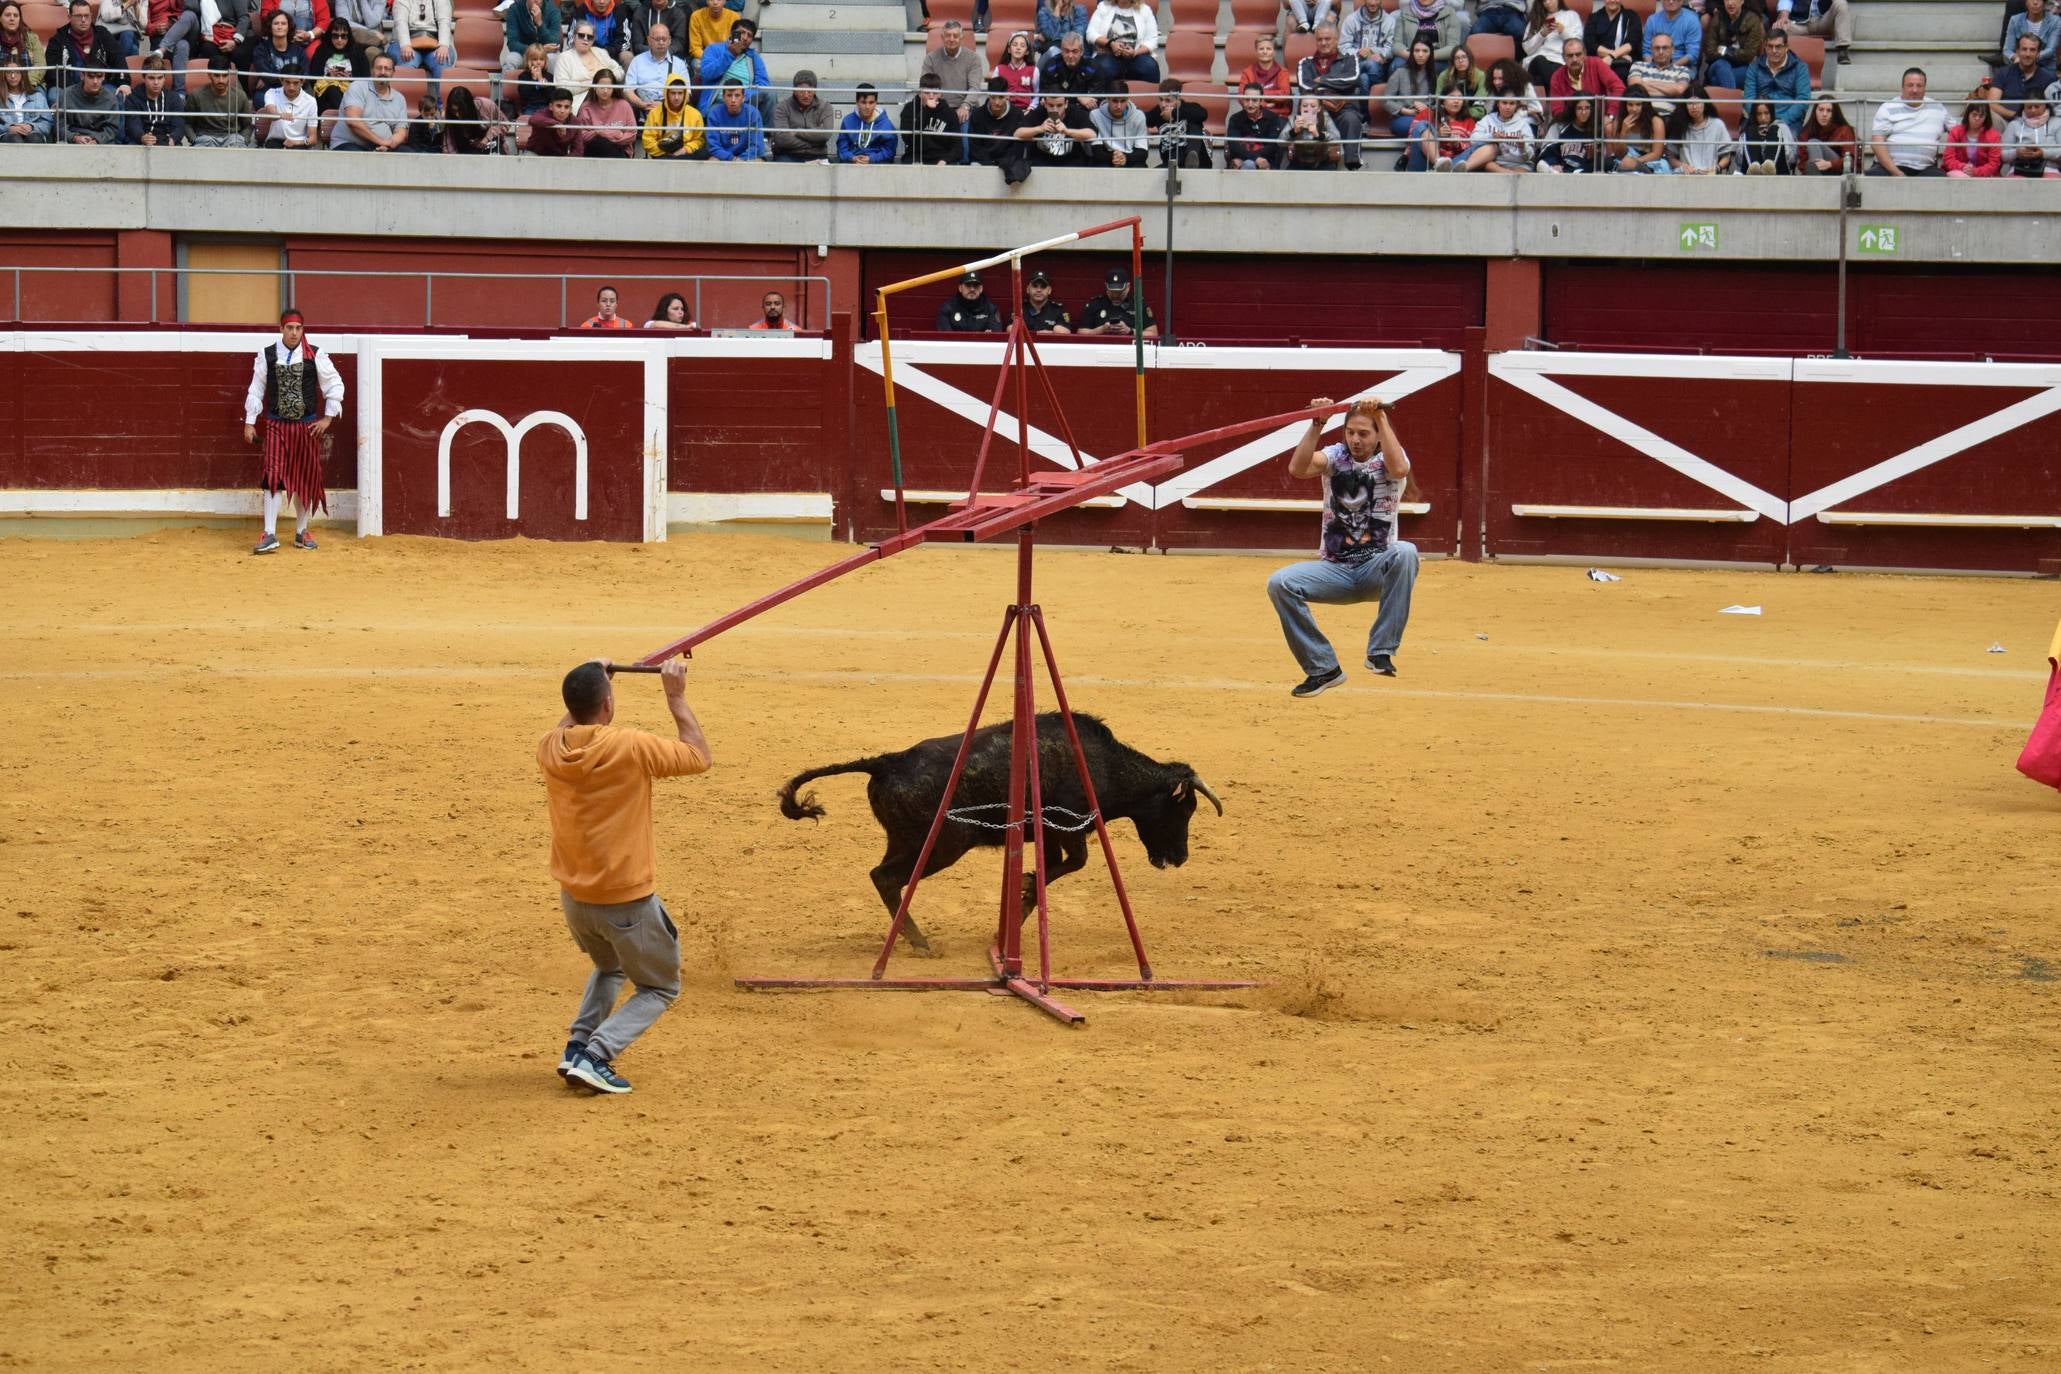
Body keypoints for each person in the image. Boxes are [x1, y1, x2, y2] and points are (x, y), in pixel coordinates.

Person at [539, 656, 711, 1097]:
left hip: (576, 900)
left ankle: (577, 1046)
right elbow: (697, 755)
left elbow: (567, 728)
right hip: (625, 901)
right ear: (609, 706)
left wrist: (595, 685)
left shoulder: (549, 747)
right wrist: (676, 696)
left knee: (609, 966)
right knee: (659, 986)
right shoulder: (629, 746)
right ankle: (598, 1055)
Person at [1266, 398, 1417, 697]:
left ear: (1377, 435)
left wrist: (1382, 417)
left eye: (1363, 433)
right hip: (1334, 570)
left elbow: (1399, 469)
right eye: (1350, 432)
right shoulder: (1335, 456)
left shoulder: (1388, 459)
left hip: (1377, 569)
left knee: (1406, 551)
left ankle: (1380, 652)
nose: (1355, 440)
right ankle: (1323, 669)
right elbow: (1298, 468)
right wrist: (1317, 423)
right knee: (1280, 583)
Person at [242, 309, 343, 555]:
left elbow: (334, 385)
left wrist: (328, 419)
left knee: (303, 478)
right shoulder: (267, 355)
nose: (294, 333)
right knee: (273, 476)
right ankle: (269, 533)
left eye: (298, 328)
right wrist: (250, 421)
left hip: (306, 427)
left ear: (303, 329)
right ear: (281, 329)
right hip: (276, 425)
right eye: (289, 328)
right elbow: (257, 388)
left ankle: (301, 531)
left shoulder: (315, 355)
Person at [1296, 21, 1364, 168]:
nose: (1323, 43)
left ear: (1337, 39)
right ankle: (1304, 162)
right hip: (1316, 110)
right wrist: (1335, 89)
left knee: (1351, 118)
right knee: (1305, 113)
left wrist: (1321, 80)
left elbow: (1352, 80)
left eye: (1328, 39)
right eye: (1320, 39)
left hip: (1343, 109)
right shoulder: (1305, 63)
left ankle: (1353, 164)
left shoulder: (1349, 59)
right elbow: (1304, 86)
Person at [1868, 67, 1946, 176]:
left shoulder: (1938, 108)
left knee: (1939, 178)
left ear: (1925, 88)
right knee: (1874, 176)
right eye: (1910, 85)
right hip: (1889, 168)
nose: (1914, 90)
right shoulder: (1888, 107)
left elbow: (1959, 131)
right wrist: (1897, 173)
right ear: (1902, 88)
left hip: (1925, 169)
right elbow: (1877, 144)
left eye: (1919, 86)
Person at [331, 50, 410, 148]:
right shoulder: (357, 87)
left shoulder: (399, 99)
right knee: (361, 159)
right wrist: (381, 141)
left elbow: (401, 131)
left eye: (387, 69)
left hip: (383, 147)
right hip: (349, 143)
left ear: (393, 72)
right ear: (372, 70)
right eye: (379, 68)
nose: (383, 72)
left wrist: (390, 144)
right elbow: (353, 122)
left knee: (410, 154)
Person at [45, 0, 122, 98]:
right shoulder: (58, 39)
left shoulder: (102, 34)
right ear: (69, 17)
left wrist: (124, 82)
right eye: (78, 16)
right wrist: (76, 90)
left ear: (91, 16)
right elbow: (53, 72)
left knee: (119, 94)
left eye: (86, 16)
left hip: (99, 85)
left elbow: (118, 57)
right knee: (53, 95)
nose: (83, 20)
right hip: (68, 87)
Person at [695, 17, 766, 120]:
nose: (745, 38)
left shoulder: (754, 57)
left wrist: (740, 95)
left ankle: (766, 135)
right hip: (718, 103)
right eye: (742, 32)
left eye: (749, 35)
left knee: (769, 96)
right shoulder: (713, 49)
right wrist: (730, 54)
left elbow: (763, 86)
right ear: (732, 33)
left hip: (744, 102)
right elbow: (706, 73)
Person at [1742, 27, 1809, 134]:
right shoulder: (1754, 66)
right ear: (1765, 47)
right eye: (1770, 46)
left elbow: (1803, 100)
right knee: (1747, 140)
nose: (1774, 51)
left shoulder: (1800, 67)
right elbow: (1749, 98)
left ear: (1786, 47)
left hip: (1789, 121)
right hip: (1759, 119)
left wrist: (1781, 121)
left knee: (1788, 142)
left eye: (1778, 47)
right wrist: (1760, 118)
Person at [621, 20, 687, 121]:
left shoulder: (679, 64)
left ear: (669, 41)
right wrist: (643, 105)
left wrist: (665, 105)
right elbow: (628, 91)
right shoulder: (637, 61)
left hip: (671, 112)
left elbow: (688, 93)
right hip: (642, 110)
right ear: (649, 40)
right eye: (657, 39)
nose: (661, 42)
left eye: (664, 39)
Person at [389, 0, 453, 103]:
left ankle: (444, 109)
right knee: (408, 62)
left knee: (441, 63)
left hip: (435, 41)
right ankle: (401, 107)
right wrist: (405, 44)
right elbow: (400, 21)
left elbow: (445, 20)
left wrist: (443, 45)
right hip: (405, 41)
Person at [554, 16, 623, 110]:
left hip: (608, 96)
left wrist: (604, 80)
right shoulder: (564, 58)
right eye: (581, 35)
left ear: (593, 40)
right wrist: (592, 83)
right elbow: (561, 87)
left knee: (626, 106)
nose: (585, 39)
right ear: (574, 37)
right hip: (583, 102)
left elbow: (620, 72)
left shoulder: (601, 53)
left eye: (589, 37)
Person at [969, 74, 1030, 180]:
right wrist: (988, 162)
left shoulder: (1017, 114)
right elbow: (974, 145)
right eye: (993, 97)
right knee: (974, 167)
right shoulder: (977, 114)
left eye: (1001, 97)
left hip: (1008, 162)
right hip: (983, 161)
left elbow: (1019, 145)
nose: (997, 102)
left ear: (1007, 95)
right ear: (988, 95)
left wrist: (1005, 161)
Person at [1549, 38, 1623, 122]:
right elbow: (1557, 109)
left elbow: (1619, 87)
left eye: (1578, 54)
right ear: (1563, 57)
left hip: (1598, 121)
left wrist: (1610, 115)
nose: (1574, 59)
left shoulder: (1596, 64)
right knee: (1554, 128)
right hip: (1571, 122)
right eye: (1570, 55)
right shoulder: (1557, 76)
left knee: (1609, 127)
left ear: (1584, 54)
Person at [1988, 33, 2057, 124]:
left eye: (2032, 50)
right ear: (2017, 51)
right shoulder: (2003, 73)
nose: (2028, 54)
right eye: (2024, 49)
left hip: (2037, 123)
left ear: (2038, 53)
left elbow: (2052, 108)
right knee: (1988, 113)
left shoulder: (2049, 77)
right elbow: (1992, 104)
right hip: (2006, 121)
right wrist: (2015, 115)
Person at [188, 53, 255, 145]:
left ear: (230, 75)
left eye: (224, 76)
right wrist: (194, 139)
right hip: (205, 138)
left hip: (232, 137)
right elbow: (187, 123)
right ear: (209, 74)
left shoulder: (240, 95)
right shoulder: (196, 95)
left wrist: (244, 140)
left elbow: (247, 125)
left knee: (236, 143)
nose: (221, 80)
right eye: (216, 75)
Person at [1086, 0, 1157, 84]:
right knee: (1103, 67)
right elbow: (1090, 33)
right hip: (1108, 55)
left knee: (1150, 67)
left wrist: (1135, 52)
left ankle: (1148, 97)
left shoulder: (1145, 10)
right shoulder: (1103, 7)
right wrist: (1110, 43)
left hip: (1135, 57)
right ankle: (1100, 97)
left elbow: (1152, 39)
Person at [769, 67, 832, 160]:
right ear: (794, 90)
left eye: (810, 91)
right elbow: (781, 138)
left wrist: (797, 132)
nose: (806, 95)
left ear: (815, 90)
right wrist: (811, 144)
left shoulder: (825, 107)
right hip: (788, 154)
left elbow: (825, 135)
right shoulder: (782, 107)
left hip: (817, 155)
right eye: (802, 91)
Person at [121, 53, 185, 143]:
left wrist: (173, 139)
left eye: (160, 78)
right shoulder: (132, 98)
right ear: (144, 78)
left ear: (164, 78)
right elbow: (133, 124)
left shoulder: (174, 98)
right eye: (151, 78)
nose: (156, 82)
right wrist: (142, 137)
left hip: (167, 141)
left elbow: (179, 124)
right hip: (140, 141)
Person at [1145, 77, 1209, 167]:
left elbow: (1203, 114)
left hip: (1195, 158)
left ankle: (1191, 158)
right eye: (1160, 100)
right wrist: (1143, 125)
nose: (1163, 105)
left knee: (1194, 122)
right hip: (1172, 159)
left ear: (1178, 98)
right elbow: (1143, 118)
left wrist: (1174, 113)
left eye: (1168, 100)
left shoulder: (1189, 107)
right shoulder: (1157, 112)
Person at [1019, 87, 1093, 165]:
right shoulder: (1038, 112)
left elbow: (1092, 134)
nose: (1055, 110)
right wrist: (1040, 129)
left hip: (1071, 161)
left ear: (1066, 104)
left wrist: (1067, 131)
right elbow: (1018, 133)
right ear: (1045, 104)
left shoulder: (1075, 112)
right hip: (1041, 162)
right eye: (1051, 105)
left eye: (1059, 105)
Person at [1462, 91, 1535, 170]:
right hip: (1495, 163)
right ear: (1498, 103)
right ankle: (1511, 176)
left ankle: (1510, 176)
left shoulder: (1523, 124)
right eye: (1504, 103)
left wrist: (1522, 147)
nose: (1508, 107)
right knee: (1489, 165)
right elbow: (1473, 139)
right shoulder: (1488, 119)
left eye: (1512, 103)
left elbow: (1530, 156)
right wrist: (1492, 137)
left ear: (1516, 105)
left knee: (1522, 170)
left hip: (1519, 164)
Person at [1384, 38, 1435, 149]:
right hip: (1402, 118)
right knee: (1422, 128)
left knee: (1425, 127)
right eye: (1416, 51)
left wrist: (1427, 107)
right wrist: (1405, 111)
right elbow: (1386, 100)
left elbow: (1439, 103)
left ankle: (1407, 157)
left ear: (1431, 53)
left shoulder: (1435, 75)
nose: (1420, 54)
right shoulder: (1400, 72)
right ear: (1411, 52)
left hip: (1426, 117)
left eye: (1425, 51)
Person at [573, 64, 636, 154]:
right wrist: (607, 133)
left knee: (603, 143)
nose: (605, 91)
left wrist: (601, 134)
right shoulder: (586, 107)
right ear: (594, 87)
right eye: (602, 87)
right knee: (599, 142)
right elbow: (581, 134)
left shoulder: (624, 105)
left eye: (609, 87)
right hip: (594, 148)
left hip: (620, 148)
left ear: (614, 88)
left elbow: (632, 134)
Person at [1408, 87, 1475, 170]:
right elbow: (1412, 136)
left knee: (1480, 145)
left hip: (1455, 163)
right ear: (1442, 101)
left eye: (1460, 98)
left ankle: (1446, 167)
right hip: (1425, 162)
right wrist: (1438, 136)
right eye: (1452, 97)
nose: (1456, 101)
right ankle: (1438, 162)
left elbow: (1470, 147)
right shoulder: (1427, 113)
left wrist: (1457, 144)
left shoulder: (1469, 121)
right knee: (1422, 124)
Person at [1077, 266, 1155, 337]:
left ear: (1128, 287)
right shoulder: (1095, 304)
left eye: (1120, 293)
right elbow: (1080, 333)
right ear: (1106, 287)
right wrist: (1101, 330)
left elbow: (1153, 333)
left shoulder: (1138, 304)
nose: (1115, 296)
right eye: (1112, 292)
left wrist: (1130, 331)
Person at [898, 71, 958, 163]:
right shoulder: (910, 109)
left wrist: (945, 160)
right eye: (927, 92)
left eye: (935, 93)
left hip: (941, 157)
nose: (931, 96)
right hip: (915, 155)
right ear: (919, 93)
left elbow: (957, 146)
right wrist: (926, 110)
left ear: (940, 94)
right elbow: (908, 139)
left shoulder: (949, 113)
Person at [1538, 94, 1609, 171]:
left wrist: (1591, 158)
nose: (1584, 112)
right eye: (1579, 108)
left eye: (1587, 108)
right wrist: (1554, 163)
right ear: (1573, 109)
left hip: (1583, 172)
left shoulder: (1597, 129)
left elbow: (1601, 162)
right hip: (1560, 170)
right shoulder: (1560, 126)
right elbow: (1547, 150)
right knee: (1542, 164)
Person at [1520, 0, 1581, 90]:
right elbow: (1527, 49)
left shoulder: (1571, 15)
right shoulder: (1536, 19)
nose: (1548, 3)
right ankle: (1563, 93)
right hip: (1536, 62)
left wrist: (1563, 31)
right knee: (1540, 60)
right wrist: (1542, 34)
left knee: (1539, 80)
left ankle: (1553, 98)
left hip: (1559, 61)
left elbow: (1577, 44)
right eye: (1544, 1)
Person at [53, 63, 121, 142]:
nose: (95, 81)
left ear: (104, 76)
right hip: (72, 139)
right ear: (82, 76)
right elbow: (59, 126)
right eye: (91, 77)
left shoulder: (110, 99)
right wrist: (75, 138)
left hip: (101, 141)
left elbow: (112, 129)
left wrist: (97, 140)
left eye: (99, 76)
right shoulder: (67, 94)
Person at [246, 9, 306, 99]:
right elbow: (267, 76)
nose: (280, 27)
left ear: (288, 27)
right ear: (270, 27)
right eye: (276, 23)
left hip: (295, 90)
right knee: (260, 99)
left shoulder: (298, 50)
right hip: (270, 90)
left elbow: (305, 74)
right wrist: (291, 78)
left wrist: (288, 82)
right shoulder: (261, 50)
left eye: (283, 23)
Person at [642, 70, 705, 155]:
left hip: (686, 155)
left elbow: (699, 140)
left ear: (685, 94)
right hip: (662, 155)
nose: (676, 97)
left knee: (704, 154)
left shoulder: (695, 114)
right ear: (666, 93)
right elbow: (647, 141)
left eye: (680, 93)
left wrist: (685, 150)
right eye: (673, 93)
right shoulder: (655, 113)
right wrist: (667, 152)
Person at [1770, 0, 1848, 68]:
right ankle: (1775, 61)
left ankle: (1843, 50)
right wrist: (1784, 16)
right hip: (1799, 23)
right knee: (1779, 27)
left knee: (1841, 4)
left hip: (1823, 21)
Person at [1704, 0, 1763, 88]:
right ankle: (1733, 100)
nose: (1730, 3)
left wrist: (1724, 50)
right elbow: (1710, 52)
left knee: (1716, 80)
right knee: (1722, 65)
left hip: (1743, 67)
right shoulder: (1718, 18)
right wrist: (1735, 53)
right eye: (1727, 0)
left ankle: (1727, 96)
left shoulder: (1753, 20)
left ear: (1742, 1)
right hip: (1716, 65)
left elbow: (1749, 55)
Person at [1628, 32, 1690, 116]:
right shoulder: (1638, 65)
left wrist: (1647, 83)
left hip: (1669, 118)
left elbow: (1679, 90)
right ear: (1651, 49)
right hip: (1642, 117)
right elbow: (1635, 88)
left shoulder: (1682, 70)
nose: (1661, 52)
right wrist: (1670, 91)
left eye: (1665, 48)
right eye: (1657, 48)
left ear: (1673, 50)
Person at [1226, 80, 1285, 168]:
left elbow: (1273, 146)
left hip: (1266, 160)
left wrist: (1254, 158)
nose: (1250, 104)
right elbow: (1234, 147)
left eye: (1254, 100)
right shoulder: (1235, 119)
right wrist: (1255, 158)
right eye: (1247, 100)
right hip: (1242, 160)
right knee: (1247, 164)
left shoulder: (1272, 118)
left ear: (1261, 101)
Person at [703, 73, 764, 158]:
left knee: (759, 162)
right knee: (712, 161)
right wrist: (731, 158)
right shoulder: (714, 113)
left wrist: (741, 159)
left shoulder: (753, 113)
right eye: (729, 95)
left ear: (743, 98)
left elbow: (757, 146)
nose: (733, 100)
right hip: (723, 156)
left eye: (737, 95)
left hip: (746, 157)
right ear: (723, 97)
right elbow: (713, 146)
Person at [1339, 0, 1395, 92]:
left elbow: (1391, 48)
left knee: (1364, 78)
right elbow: (1343, 46)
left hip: (1380, 66)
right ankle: (1376, 95)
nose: (1373, 3)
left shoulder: (1390, 21)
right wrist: (1358, 52)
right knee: (1370, 65)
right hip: (1355, 65)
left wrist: (1377, 53)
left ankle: (1366, 104)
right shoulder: (1351, 19)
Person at [1669, 89, 1730, 171]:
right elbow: (1671, 158)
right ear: (1684, 106)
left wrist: (1716, 168)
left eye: (1698, 102)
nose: (1694, 107)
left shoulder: (1717, 125)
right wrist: (1683, 166)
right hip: (1685, 176)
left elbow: (1726, 157)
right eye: (1690, 103)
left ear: (1705, 103)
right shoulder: (1678, 125)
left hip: (1710, 176)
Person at [836, 80, 896, 162]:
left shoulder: (885, 124)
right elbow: (842, 149)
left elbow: (889, 151)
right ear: (857, 102)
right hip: (852, 166)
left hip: (877, 168)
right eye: (863, 102)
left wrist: (871, 159)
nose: (867, 106)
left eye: (871, 102)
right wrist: (852, 158)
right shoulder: (847, 121)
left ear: (876, 103)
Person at [2002, 90, 2061, 174]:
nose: (2033, 110)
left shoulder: (2057, 123)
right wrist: (2016, 153)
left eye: (2037, 106)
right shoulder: (2014, 124)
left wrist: (2043, 153)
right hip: (2019, 169)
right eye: (2029, 107)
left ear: (2045, 105)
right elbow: (2001, 154)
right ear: (2023, 107)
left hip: (2050, 169)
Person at [440, 83, 510, 152]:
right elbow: (449, 143)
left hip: (490, 146)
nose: (457, 115)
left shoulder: (486, 105)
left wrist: (487, 137)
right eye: (454, 111)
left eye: (461, 111)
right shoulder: (450, 115)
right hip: (467, 150)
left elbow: (505, 124)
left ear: (469, 106)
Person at [1040, 30, 1102, 108]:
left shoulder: (1093, 67)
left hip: (1083, 111)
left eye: (1075, 51)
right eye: (1066, 51)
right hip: (1056, 110)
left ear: (1082, 51)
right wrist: (1078, 97)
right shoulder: (1051, 66)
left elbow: (1093, 100)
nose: (1070, 55)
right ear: (1061, 51)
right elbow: (1045, 94)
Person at [1945, 94, 2003, 177]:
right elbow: (1948, 159)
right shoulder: (1956, 131)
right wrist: (1963, 167)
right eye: (1974, 114)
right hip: (1959, 172)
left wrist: (1976, 172)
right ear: (1968, 114)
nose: (1977, 118)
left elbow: (1994, 164)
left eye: (1981, 116)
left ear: (1986, 118)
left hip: (1984, 175)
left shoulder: (1994, 136)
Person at [256, 68, 319, 144]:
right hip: (274, 141)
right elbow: (271, 113)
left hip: (300, 143)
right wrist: (280, 115)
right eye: (287, 82)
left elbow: (313, 138)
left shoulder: (310, 101)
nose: (291, 87)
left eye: (295, 83)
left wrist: (296, 143)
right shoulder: (271, 93)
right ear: (281, 81)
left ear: (302, 82)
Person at [1611, 87, 1666, 170]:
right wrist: (1623, 132)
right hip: (1624, 161)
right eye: (1630, 105)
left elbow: (1656, 154)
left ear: (1645, 105)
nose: (1634, 109)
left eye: (1638, 104)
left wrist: (1634, 161)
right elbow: (1619, 154)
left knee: (1627, 165)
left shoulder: (1656, 122)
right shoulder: (1618, 121)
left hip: (1648, 163)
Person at [1088, 85, 1146, 164]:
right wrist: (1115, 158)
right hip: (1105, 159)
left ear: (1128, 99)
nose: (1119, 106)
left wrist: (1125, 158)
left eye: (1123, 101)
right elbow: (1097, 151)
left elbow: (1143, 153)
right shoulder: (1095, 115)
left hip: (1130, 158)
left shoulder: (1138, 115)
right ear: (1107, 99)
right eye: (1115, 101)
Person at [1583, 0, 1638, 83]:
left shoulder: (1631, 16)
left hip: (1624, 64)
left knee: (1622, 73)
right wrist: (1617, 55)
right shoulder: (1594, 18)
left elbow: (1632, 43)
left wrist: (1612, 57)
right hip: (1600, 61)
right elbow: (1591, 45)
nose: (1612, 0)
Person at [1795, 96, 1854, 173]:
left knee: (1813, 142)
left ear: (1834, 113)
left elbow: (1850, 160)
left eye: (1829, 110)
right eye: (1821, 110)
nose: (1824, 114)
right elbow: (1802, 164)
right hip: (1814, 172)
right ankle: (1817, 177)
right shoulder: (1807, 131)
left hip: (1837, 172)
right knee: (1812, 151)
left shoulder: (1844, 130)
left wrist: (1829, 164)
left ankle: (1816, 178)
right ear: (1815, 111)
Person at [501, 0, 560, 76]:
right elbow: (512, 43)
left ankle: (552, 87)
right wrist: (537, 50)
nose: (537, 0)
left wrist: (540, 23)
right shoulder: (515, 9)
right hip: (524, 53)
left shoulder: (553, 10)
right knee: (511, 60)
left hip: (546, 54)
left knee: (553, 59)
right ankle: (507, 87)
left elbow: (554, 42)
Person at [1238, 31, 1291, 116]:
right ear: (1256, 51)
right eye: (1261, 49)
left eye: (1269, 49)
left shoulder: (1282, 72)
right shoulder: (1247, 72)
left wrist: (1257, 96)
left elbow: (1284, 94)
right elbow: (1242, 97)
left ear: (1274, 52)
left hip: (1278, 115)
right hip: (1254, 115)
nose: (1265, 52)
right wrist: (1264, 104)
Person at [0, 50, 48, 141]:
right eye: (9, 72)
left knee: (35, 138)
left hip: (33, 134)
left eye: (17, 72)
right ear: (3, 75)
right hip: (8, 136)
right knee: (14, 138)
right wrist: (8, 129)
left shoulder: (38, 97)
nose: (13, 76)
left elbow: (48, 123)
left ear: (23, 74)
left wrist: (32, 127)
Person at [1736, 95, 1792, 172]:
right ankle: (1754, 168)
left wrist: (1767, 139)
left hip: (1778, 171)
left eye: (1766, 113)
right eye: (1759, 114)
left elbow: (1792, 158)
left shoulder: (1781, 127)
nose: (1763, 118)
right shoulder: (1748, 131)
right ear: (1755, 116)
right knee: (1751, 131)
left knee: (1775, 129)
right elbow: (1739, 160)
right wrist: (1759, 138)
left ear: (1771, 113)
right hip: (1750, 173)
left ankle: (1769, 166)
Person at [936, 270, 1003, 331]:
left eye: (976, 285)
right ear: (960, 288)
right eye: (968, 285)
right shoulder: (948, 309)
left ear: (981, 289)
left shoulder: (991, 309)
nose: (972, 289)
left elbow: (994, 335)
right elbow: (946, 337)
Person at [1642, 0, 1699, 68]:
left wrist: (1669, 68)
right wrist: (1655, 67)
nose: (1671, 1)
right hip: (1654, 65)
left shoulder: (1692, 20)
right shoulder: (1652, 20)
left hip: (1682, 67)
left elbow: (1692, 54)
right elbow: (1646, 51)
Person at [0, 2, 47, 84]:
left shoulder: (31, 38)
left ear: (20, 19)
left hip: (29, 84)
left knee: (38, 97)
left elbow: (40, 65)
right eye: (8, 15)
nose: (12, 18)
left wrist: (23, 82)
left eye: (16, 15)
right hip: (1, 85)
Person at [1437, 41, 1486, 119]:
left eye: (1464, 57)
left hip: (1471, 117)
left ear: (1470, 59)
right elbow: (1438, 101)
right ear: (1453, 62)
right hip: (1448, 116)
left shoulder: (1480, 76)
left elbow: (1479, 108)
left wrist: (1460, 114)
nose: (1460, 61)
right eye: (1457, 58)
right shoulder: (1444, 76)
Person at [993, 28, 1037, 108]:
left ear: (1027, 51)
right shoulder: (999, 69)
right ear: (1009, 50)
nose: (1018, 48)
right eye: (1015, 45)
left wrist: (1031, 107)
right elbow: (994, 93)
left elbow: (1037, 94)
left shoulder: (1034, 70)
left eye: (1022, 46)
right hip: (1005, 109)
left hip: (1026, 109)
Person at [525, 84, 575, 153]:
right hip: (535, 154)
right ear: (551, 106)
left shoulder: (575, 121)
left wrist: (568, 162)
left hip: (559, 158)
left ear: (571, 109)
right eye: (559, 106)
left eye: (566, 107)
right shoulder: (543, 113)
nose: (562, 111)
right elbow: (532, 119)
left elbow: (577, 150)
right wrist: (557, 124)